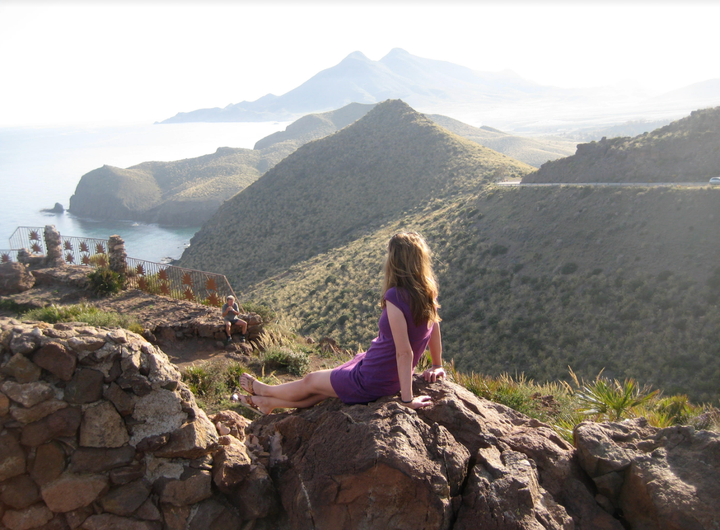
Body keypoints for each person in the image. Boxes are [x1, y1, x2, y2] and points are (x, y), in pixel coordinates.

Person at [238, 231, 446, 414]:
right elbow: (434, 326)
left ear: (395, 261)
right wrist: (436, 364)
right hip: (382, 371)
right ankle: (267, 404)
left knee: (311, 380)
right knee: (321, 391)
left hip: (374, 377)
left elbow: (405, 352)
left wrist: (407, 401)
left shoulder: (396, 296)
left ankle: (264, 390)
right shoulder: (428, 293)